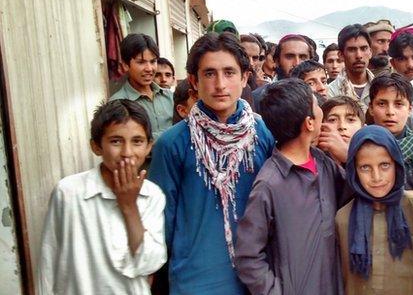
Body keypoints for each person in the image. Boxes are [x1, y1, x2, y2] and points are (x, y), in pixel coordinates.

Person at [149, 32, 275, 294]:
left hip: (256, 277)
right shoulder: (173, 143)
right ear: (193, 81)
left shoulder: (262, 133)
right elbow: (161, 221)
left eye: (229, 72)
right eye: (209, 73)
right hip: (195, 280)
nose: (220, 84)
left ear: (244, 77)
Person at [37, 99, 166, 294]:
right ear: (96, 146)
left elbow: (149, 263)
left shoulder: (152, 195)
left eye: (137, 141)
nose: (127, 153)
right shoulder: (69, 193)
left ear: (149, 147)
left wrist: (129, 206)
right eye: (116, 141)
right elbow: (48, 260)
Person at [235, 78, 344, 295]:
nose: (321, 109)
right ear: (309, 123)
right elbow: (248, 256)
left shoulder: (323, 162)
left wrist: (349, 155)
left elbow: (354, 193)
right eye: (316, 106)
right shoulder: (269, 183)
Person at [335, 125, 413, 295]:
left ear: (396, 164)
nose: (376, 177)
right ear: (354, 171)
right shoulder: (343, 219)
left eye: (384, 165)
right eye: (365, 168)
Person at [109, 33, 173, 140]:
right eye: (141, 62)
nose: (149, 68)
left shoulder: (169, 97)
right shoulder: (118, 103)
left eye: (153, 61)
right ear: (125, 65)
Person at [252, 34, 312, 111]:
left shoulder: (319, 92)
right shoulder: (259, 97)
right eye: (289, 57)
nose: (297, 63)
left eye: (303, 57)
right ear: (277, 61)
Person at [327, 24, 375, 111]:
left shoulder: (380, 88)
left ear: (370, 52)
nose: (359, 55)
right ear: (341, 55)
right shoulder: (331, 92)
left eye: (363, 48)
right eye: (352, 50)